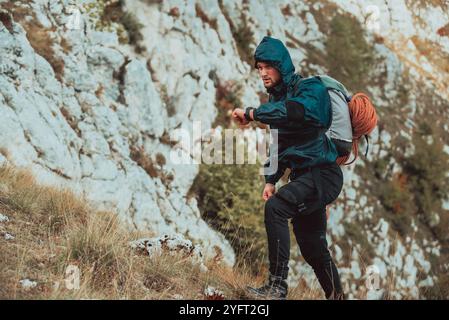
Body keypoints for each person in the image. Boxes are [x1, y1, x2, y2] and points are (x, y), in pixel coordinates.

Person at [232, 36, 344, 300]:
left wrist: (252, 114)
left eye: (267, 67)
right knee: (312, 247)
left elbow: (293, 112)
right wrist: (271, 180)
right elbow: (276, 144)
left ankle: (276, 287)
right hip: (305, 178)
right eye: (258, 68)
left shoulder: (310, 89)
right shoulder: (275, 101)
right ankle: (338, 297)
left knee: (277, 208)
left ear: (281, 66)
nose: (262, 73)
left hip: (323, 174)